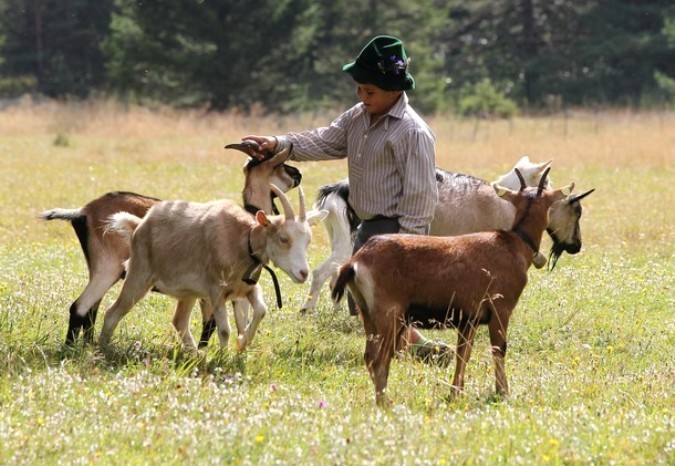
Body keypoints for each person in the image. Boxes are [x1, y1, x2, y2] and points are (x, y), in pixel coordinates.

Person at [243, 35, 451, 363]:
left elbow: (421, 196)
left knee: (383, 300)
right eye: (358, 88)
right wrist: (277, 142)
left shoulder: (412, 132)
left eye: (369, 91)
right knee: (365, 300)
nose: (361, 96)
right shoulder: (357, 117)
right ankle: (415, 349)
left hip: (396, 230)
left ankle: (407, 353)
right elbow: (326, 140)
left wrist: (406, 248)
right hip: (366, 225)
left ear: (394, 90)